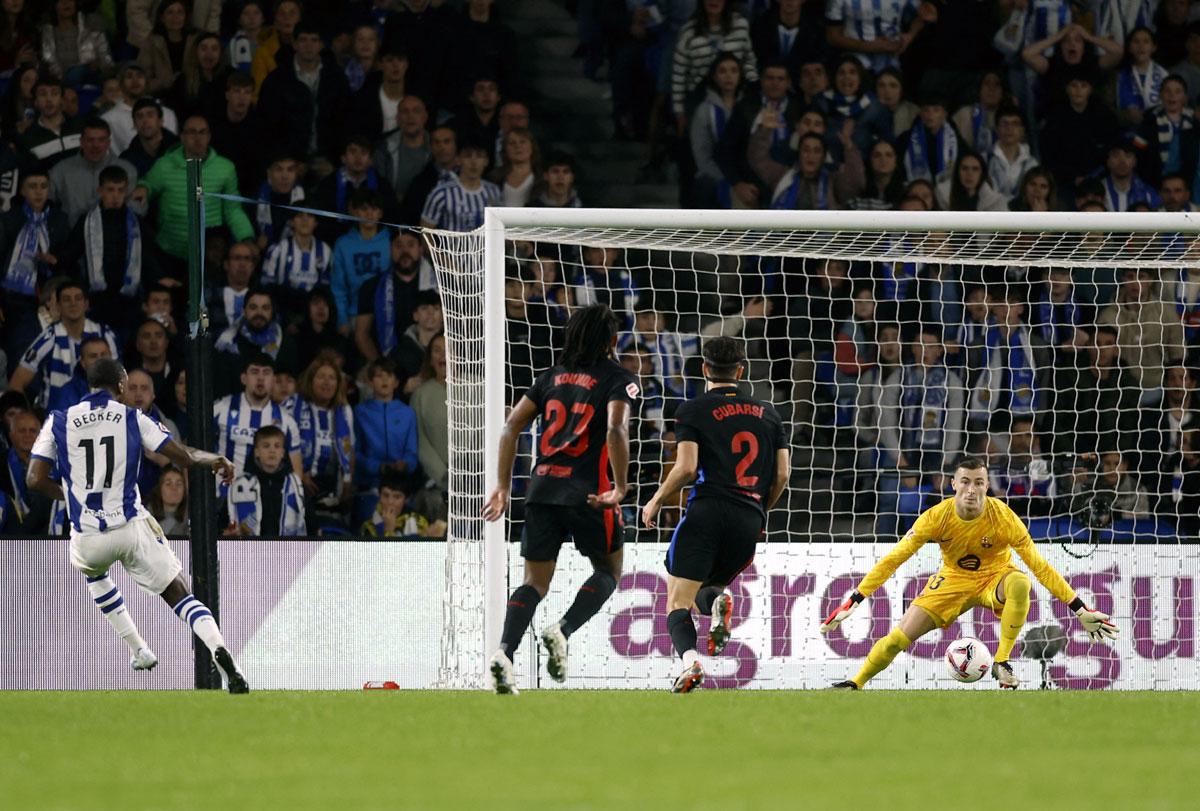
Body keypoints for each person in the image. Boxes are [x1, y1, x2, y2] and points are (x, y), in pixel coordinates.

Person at [25, 357, 248, 693]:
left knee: (93, 572)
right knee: (178, 591)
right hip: (130, 525)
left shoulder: (59, 419)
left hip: (88, 535)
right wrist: (215, 459)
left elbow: (33, 479)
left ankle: (139, 649)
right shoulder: (132, 417)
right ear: (121, 384)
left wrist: (70, 496)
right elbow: (183, 456)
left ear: (90, 386)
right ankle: (220, 650)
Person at [820, 456, 1120, 690]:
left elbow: (1040, 567)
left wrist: (1079, 608)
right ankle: (855, 682)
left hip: (995, 577)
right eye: (965, 482)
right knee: (898, 639)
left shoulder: (1004, 518)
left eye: (979, 483)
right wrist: (856, 599)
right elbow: (895, 558)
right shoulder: (936, 517)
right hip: (952, 581)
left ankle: (1002, 662)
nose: (971, 489)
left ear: (987, 486)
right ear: (953, 484)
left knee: (1020, 581)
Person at [481, 304, 637, 694]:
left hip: (541, 491)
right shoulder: (619, 378)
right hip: (589, 494)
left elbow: (510, 427)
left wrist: (501, 485)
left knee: (533, 583)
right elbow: (616, 428)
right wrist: (619, 487)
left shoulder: (550, 376)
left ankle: (504, 652)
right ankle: (563, 630)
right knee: (609, 572)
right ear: (613, 341)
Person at [641, 336, 790, 693]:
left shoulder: (692, 410)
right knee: (705, 591)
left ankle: (690, 661)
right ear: (740, 370)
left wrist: (657, 499)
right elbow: (783, 474)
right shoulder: (769, 414)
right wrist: (759, 509)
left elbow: (687, 468)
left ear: (705, 368)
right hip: (749, 516)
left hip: (707, 510)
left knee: (676, 599)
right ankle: (718, 601)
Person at [8, 280, 118, 409]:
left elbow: (118, 380)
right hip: (55, 417)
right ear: (58, 306)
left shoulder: (105, 334)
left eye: (78, 298)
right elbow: (15, 384)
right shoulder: (48, 338)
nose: (73, 303)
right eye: (66, 299)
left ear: (86, 304)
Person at [212, 353, 303, 479]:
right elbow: (192, 447)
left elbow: (296, 471)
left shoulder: (287, 422)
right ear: (244, 378)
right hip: (222, 494)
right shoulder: (219, 409)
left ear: (273, 380)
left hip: (265, 497)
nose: (260, 378)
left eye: (266, 373)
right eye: (254, 372)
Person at [227, 424, 306, 536]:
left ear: (283, 453)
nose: (272, 451)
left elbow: (309, 520)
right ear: (256, 452)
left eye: (277, 446)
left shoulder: (295, 485)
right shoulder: (239, 484)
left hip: (288, 550)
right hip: (249, 551)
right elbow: (225, 523)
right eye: (266, 446)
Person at [146, 465, 188, 535]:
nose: (174, 488)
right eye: (168, 484)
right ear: (160, 489)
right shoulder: (147, 516)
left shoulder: (192, 515)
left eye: (179, 484)